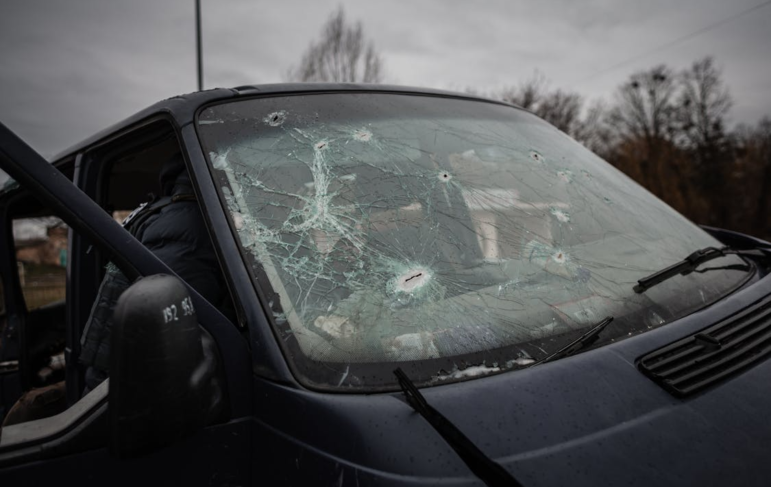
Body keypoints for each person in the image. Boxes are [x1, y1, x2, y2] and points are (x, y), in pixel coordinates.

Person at [79, 154, 227, 393]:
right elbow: (178, 330)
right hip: (125, 391)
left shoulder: (168, 212)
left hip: (116, 376)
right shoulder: (191, 224)